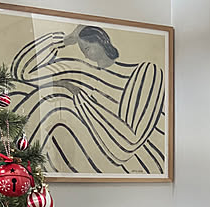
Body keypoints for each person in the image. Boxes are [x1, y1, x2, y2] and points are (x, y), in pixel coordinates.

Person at [10, 25, 166, 175]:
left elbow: (125, 147)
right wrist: (65, 40)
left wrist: (79, 99)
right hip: (85, 168)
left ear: (102, 41)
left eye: (86, 48)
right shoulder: (81, 72)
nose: (85, 55)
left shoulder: (146, 73)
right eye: (82, 51)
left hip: (139, 170)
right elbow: (21, 73)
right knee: (42, 98)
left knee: (59, 100)